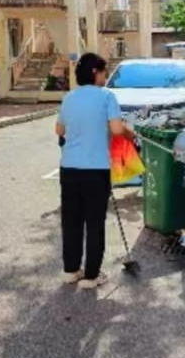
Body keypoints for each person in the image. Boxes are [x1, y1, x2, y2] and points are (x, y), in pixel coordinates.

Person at [55, 53, 133, 290]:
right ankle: (91, 276)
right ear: (94, 73)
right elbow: (117, 129)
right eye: (103, 71)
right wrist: (132, 134)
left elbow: (59, 129)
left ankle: (71, 271)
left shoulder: (69, 97)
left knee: (72, 221)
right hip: (95, 170)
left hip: (69, 168)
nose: (105, 76)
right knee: (94, 222)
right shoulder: (107, 96)